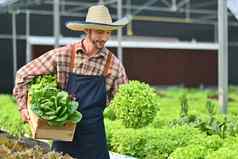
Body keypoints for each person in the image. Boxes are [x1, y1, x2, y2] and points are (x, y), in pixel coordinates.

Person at [13, 4, 129, 159]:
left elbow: (122, 99)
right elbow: (23, 74)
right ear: (86, 31)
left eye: (108, 32)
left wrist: (128, 107)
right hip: (63, 135)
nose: (105, 37)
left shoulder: (113, 65)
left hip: (94, 140)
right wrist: (23, 108)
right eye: (100, 32)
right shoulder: (63, 55)